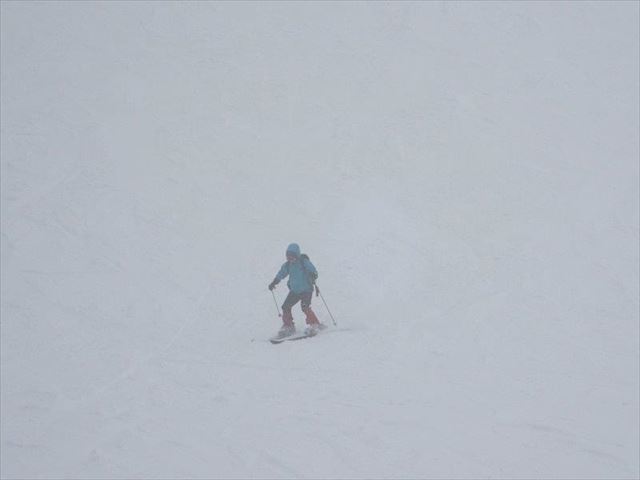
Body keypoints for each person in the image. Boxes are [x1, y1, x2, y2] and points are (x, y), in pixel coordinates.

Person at [268, 243, 325, 338]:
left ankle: (315, 324)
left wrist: (313, 274)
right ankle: (288, 326)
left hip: (306, 290)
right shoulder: (288, 265)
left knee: (305, 307)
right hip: (295, 291)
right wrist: (274, 282)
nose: (290, 259)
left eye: (292, 256)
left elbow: (312, 269)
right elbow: (281, 274)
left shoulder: (303, 262)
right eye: (288, 256)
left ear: (297, 255)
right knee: (285, 306)